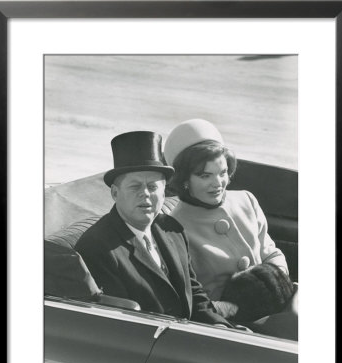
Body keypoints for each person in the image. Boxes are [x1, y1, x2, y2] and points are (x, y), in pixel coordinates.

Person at [75, 130, 232, 328]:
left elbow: (195, 294)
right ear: (115, 193)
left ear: (164, 191)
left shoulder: (172, 229)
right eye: (135, 187)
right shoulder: (97, 247)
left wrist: (221, 327)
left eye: (153, 186)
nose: (146, 195)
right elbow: (120, 326)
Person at [163, 119, 297, 339]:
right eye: (205, 175)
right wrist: (233, 307)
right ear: (184, 179)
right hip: (234, 325)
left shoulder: (246, 200)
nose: (218, 183)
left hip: (280, 302)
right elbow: (192, 300)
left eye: (222, 172)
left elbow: (271, 253)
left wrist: (275, 286)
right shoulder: (173, 228)